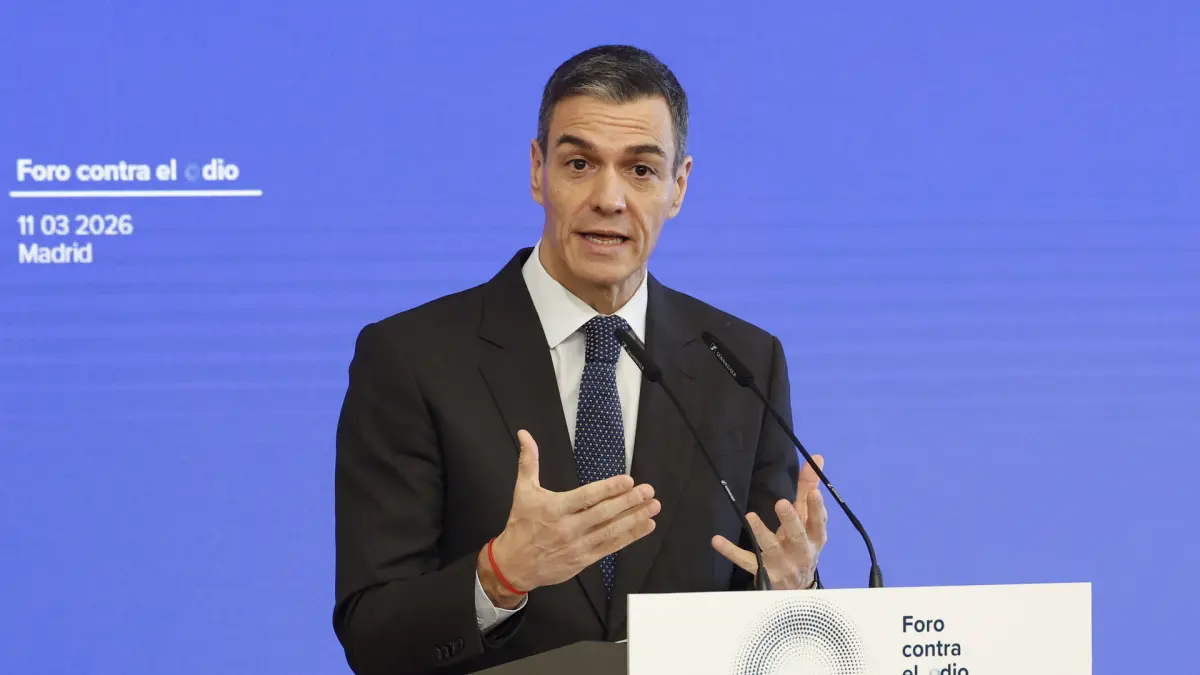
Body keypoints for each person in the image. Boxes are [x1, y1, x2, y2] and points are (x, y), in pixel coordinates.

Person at [333, 44, 829, 675]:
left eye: (641, 169)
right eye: (579, 163)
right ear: (538, 170)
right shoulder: (412, 358)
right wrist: (500, 575)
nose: (609, 198)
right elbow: (372, 636)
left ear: (678, 186)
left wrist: (794, 594)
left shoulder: (742, 362)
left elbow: (770, 614)